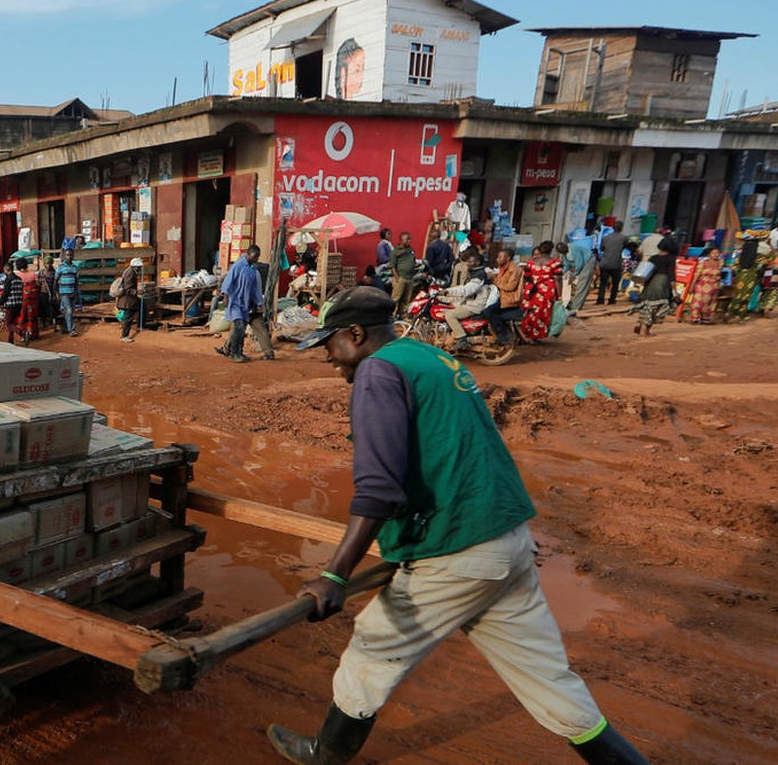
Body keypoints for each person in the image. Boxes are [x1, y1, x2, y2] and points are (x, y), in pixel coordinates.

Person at [271, 286, 650, 765]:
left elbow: (377, 489)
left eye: (329, 344)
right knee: (550, 681)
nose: (328, 357)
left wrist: (333, 575)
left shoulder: (377, 372)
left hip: (455, 548)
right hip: (507, 540)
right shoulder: (428, 357)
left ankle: (323, 755)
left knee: (374, 648)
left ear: (355, 333)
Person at [216, 245, 267, 363]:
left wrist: (258, 303)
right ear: (249, 254)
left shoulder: (253, 270)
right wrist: (225, 296)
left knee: (241, 328)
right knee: (238, 326)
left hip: (245, 303)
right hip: (234, 301)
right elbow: (228, 281)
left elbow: (254, 290)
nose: (256, 259)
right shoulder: (238, 266)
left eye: (258, 257)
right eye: (255, 256)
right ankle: (234, 353)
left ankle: (237, 351)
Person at [439, 250, 492, 352]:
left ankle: (461, 338)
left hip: (474, 305)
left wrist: (447, 291)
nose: (469, 263)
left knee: (450, 315)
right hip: (469, 301)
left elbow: (466, 290)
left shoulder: (479, 275)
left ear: (478, 262)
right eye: (468, 261)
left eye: (472, 261)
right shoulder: (473, 272)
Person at [521, 240, 564, 341]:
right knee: (542, 314)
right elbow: (557, 280)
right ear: (551, 250)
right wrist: (559, 295)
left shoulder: (531, 263)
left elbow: (526, 278)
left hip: (531, 290)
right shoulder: (555, 263)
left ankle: (527, 333)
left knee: (530, 312)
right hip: (546, 291)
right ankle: (535, 335)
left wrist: (524, 291)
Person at [634, 239, 676, 336]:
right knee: (656, 308)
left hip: (650, 282)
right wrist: (675, 290)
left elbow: (646, 271)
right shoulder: (671, 258)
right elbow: (672, 276)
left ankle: (641, 325)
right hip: (662, 283)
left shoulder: (653, 258)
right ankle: (644, 330)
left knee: (647, 305)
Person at [726, 231, 768, 321]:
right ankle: (740, 315)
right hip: (752, 278)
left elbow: (734, 268)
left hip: (740, 278)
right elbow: (762, 268)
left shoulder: (739, 256)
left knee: (737, 296)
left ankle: (730, 313)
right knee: (746, 297)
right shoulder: (760, 257)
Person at [485, 248, 523, 345]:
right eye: (498, 257)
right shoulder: (502, 268)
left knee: (488, 311)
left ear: (508, 258)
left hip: (508, 297)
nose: (498, 259)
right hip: (500, 295)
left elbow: (510, 286)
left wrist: (495, 282)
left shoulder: (514, 269)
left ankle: (503, 334)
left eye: (500, 257)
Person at [686, 247, 724, 324]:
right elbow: (697, 274)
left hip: (714, 286)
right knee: (697, 301)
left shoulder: (721, 262)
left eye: (717, 253)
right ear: (709, 254)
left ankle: (705, 318)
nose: (715, 255)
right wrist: (692, 285)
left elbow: (719, 275)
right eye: (713, 253)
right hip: (701, 285)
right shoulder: (703, 263)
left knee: (710, 303)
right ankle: (695, 318)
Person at [565, 229, 596, 312]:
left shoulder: (573, 249)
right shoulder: (565, 252)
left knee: (582, 284)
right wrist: (563, 274)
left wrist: (574, 276)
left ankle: (576, 307)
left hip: (588, 261)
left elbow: (579, 264)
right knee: (577, 285)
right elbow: (566, 264)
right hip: (583, 261)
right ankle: (574, 303)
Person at [757, 239, 778, 316]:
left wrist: (760, 274)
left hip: (768, 273)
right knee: (776, 292)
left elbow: (764, 263)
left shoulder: (772, 252)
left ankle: (761, 307)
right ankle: (768, 307)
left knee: (766, 291)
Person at [388, 232, 416, 319]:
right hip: (401, 278)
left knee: (407, 299)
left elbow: (413, 261)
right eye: (407, 239)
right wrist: (397, 277)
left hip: (410, 278)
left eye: (409, 239)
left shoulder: (410, 250)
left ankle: (403, 315)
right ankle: (391, 316)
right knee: (396, 298)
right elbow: (392, 266)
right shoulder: (396, 251)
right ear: (401, 240)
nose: (409, 241)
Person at [115, 257, 143, 343]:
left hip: (129, 299)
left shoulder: (129, 271)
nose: (140, 269)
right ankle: (124, 336)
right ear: (135, 267)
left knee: (135, 312)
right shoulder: (130, 274)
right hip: (127, 300)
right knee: (128, 318)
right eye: (139, 267)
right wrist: (137, 292)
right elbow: (128, 289)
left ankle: (137, 326)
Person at [595, 226, 625, 305]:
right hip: (616, 263)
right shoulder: (624, 238)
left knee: (603, 283)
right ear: (621, 228)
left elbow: (601, 248)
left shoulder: (605, 238)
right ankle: (612, 300)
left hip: (605, 263)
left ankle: (600, 300)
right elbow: (625, 246)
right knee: (615, 283)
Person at [0, 260, 26, 345]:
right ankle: (10, 341)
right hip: (19, 304)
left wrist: (0, 303)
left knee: (9, 323)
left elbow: (5, 293)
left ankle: (22, 332)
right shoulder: (19, 279)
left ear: (6, 269)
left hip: (10, 304)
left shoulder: (8, 279)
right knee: (13, 323)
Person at [55, 251, 80, 335]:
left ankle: (64, 327)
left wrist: (76, 292)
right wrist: (56, 293)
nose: (69, 257)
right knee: (68, 310)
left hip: (72, 292)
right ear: (64, 256)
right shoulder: (60, 267)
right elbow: (55, 280)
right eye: (67, 255)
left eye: (71, 255)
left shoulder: (75, 268)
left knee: (69, 311)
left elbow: (76, 281)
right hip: (64, 293)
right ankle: (71, 330)